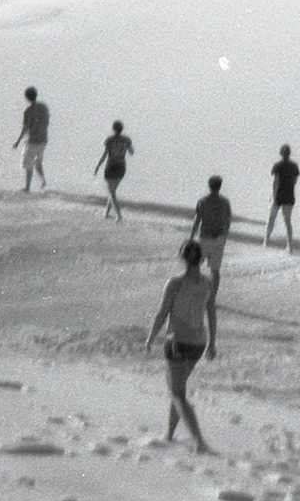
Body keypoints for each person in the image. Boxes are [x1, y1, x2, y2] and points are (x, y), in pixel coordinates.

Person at [145, 241, 217, 453]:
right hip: (198, 342)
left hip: (177, 341)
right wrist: (212, 343)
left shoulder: (175, 283)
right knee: (179, 389)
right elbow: (212, 314)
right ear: (201, 259)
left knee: (177, 394)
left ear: (182, 258)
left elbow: (162, 313)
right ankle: (169, 434)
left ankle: (198, 440)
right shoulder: (208, 283)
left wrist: (150, 338)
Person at [193, 175, 232, 295]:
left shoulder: (203, 201)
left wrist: (191, 236)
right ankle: (212, 296)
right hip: (219, 238)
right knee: (215, 270)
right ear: (220, 186)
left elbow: (197, 220)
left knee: (195, 265)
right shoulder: (225, 202)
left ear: (209, 186)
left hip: (205, 237)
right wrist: (225, 236)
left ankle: (196, 291)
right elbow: (228, 221)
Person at [12, 86, 50, 192]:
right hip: (43, 139)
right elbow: (47, 121)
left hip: (33, 140)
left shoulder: (29, 111)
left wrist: (18, 141)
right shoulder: (43, 107)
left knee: (28, 163)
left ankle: (27, 186)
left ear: (27, 97)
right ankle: (43, 180)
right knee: (38, 162)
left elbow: (26, 127)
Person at [94, 122, 133, 220]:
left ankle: (118, 215)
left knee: (111, 192)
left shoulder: (109, 140)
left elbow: (105, 155)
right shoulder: (126, 140)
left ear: (113, 129)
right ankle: (106, 213)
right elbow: (131, 152)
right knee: (112, 191)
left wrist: (98, 166)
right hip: (121, 167)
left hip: (110, 167)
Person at [266, 145, 300, 250]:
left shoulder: (278, 165)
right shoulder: (294, 166)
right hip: (289, 195)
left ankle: (266, 240)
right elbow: (295, 181)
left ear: (281, 153)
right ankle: (289, 245)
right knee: (287, 221)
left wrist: (273, 195)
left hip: (279, 195)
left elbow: (275, 181)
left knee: (272, 218)